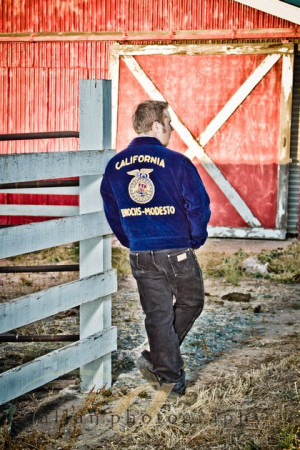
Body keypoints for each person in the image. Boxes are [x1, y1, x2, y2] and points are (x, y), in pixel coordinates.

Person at [100, 100, 211, 396]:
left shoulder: (114, 166)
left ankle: (169, 377)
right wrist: (195, 239)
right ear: (157, 126)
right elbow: (197, 205)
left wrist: (131, 241)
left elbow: (113, 212)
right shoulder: (176, 162)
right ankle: (161, 361)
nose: (172, 129)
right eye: (169, 123)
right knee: (191, 302)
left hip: (139, 253)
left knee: (158, 315)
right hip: (175, 250)